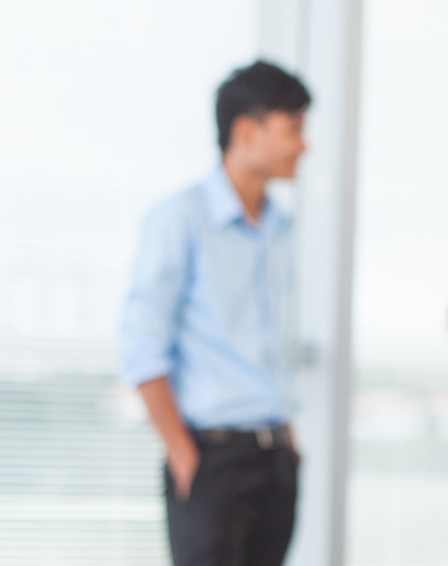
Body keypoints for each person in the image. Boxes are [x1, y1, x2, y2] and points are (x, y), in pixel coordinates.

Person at [119, 60, 310, 566]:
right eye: (293, 129)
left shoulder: (280, 230)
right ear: (246, 131)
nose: (304, 146)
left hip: (275, 459)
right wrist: (184, 455)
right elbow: (142, 349)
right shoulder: (180, 219)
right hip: (213, 459)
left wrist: (289, 445)